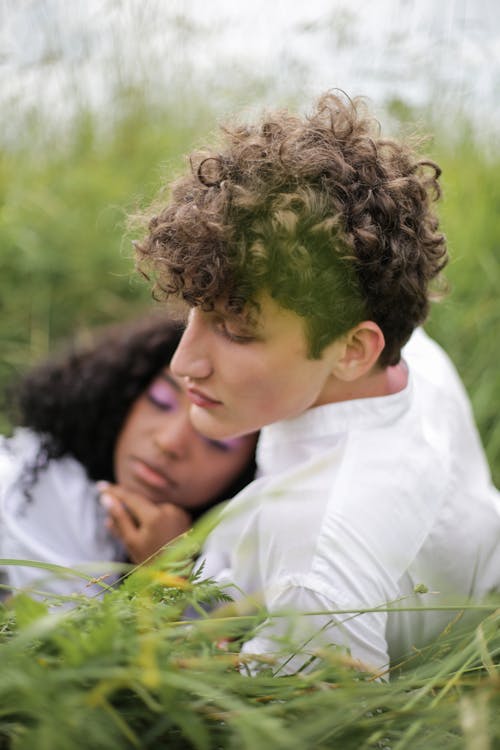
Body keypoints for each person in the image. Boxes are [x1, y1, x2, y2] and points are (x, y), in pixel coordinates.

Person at [134, 91, 500, 676]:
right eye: (193, 313)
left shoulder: (315, 561)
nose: (184, 364)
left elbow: (295, 725)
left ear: (353, 349)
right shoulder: (413, 357)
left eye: (236, 329)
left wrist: (165, 581)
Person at [0, 314, 257, 601]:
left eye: (216, 439)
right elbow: (75, 641)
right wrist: (167, 573)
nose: (168, 442)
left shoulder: (251, 554)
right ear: (128, 393)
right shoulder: (47, 487)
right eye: (160, 401)